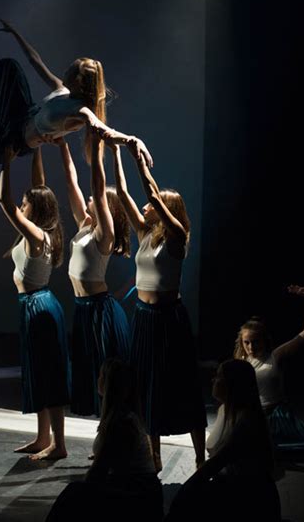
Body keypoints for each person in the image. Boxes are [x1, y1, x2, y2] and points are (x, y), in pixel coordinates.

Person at [0, 19, 152, 174]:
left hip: (17, 139)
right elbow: (36, 62)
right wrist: (16, 34)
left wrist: (131, 140)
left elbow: (102, 130)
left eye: (72, 68)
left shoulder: (80, 111)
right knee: (11, 68)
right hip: (21, 114)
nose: (67, 69)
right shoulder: (62, 90)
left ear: (79, 80)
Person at [110, 143, 206, 472]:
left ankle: (200, 457)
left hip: (169, 319)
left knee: (182, 384)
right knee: (145, 385)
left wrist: (138, 159)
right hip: (144, 317)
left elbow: (150, 193)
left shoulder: (178, 236)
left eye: (153, 205)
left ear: (166, 209)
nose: (146, 206)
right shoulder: (145, 234)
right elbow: (123, 193)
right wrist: (115, 152)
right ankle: (154, 456)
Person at [0, 145, 70, 460]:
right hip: (36, 306)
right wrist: (37, 149)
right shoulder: (45, 232)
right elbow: (39, 186)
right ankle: (43, 438)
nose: (22, 205)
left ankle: (59, 444)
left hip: (38, 308)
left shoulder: (37, 236)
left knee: (49, 375)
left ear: (35, 208)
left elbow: (4, 202)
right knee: (40, 373)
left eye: (26, 203)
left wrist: (6, 161)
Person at [56, 133, 131, 417]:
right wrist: (62, 145)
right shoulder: (84, 226)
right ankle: (104, 425)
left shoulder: (104, 234)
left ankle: (112, 425)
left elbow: (98, 190)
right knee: (89, 371)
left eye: (97, 200)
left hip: (100, 310)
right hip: (83, 308)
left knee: (105, 373)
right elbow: (71, 182)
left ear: (106, 209)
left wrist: (99, 148)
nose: (89, 198)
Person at [46, 358, 163, 522]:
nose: (97, 379)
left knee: (73, 494)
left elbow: (99, 471)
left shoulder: (121, 423)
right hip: (134, 487)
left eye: (101, 376)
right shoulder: (121, 417)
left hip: (137, 493)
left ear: (108, 384)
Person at [167, 359, 281, 522]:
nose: (213, 380)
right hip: (232, 487)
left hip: (249, 498)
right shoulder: (225, 411)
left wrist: (183, 494)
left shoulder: (247, 421)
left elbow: (218, 461)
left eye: (219, 376)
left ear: (232, 384)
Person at [233, 285, 304, 447]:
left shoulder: (275, 356)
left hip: (275, 417)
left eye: (256, 342)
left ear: (264, 340)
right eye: (247, 342)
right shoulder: (241, 360)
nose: (251, 347)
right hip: (251, 417)